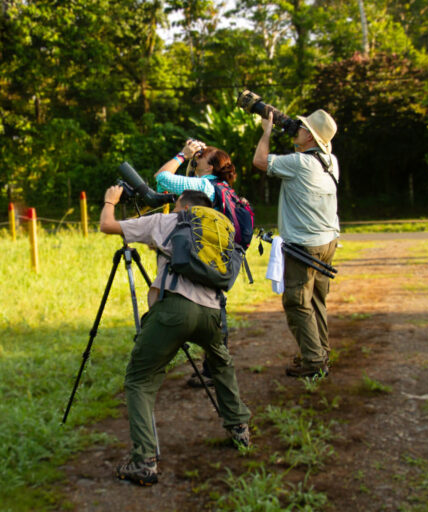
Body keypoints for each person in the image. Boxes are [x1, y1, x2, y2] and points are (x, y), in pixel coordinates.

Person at [100, 185, 251, 486]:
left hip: (174, 311)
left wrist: (110, 200)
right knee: (221, 365)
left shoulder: (168, 221)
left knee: (140, 379)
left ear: (182, 204)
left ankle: (144, 461)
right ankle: (240, 429)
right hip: (212, 313)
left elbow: (107, 225)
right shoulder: (221, 228)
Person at [252, 109, 340, 379]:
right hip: (328, 241)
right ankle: (319, 350)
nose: (296, 130)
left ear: (311, 138)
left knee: (297, 302)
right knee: (315, 301)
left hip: (305, 245)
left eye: (302, 128)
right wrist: (287, 125)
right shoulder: (330, 160)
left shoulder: (301, 163)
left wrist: (267, 129)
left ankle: (314, 361)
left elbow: (260, 161)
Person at [154, 140, 245, 388]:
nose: (198, 156)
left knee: (212, 308)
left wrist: (182, 155)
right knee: (216, 305)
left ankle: (215, 370)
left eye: (203, 156)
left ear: (211, 166)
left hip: (205, 254)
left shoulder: (206, 185)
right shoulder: (224, 187)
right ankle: (213, 368)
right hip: (219, 253)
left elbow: (161, 178)